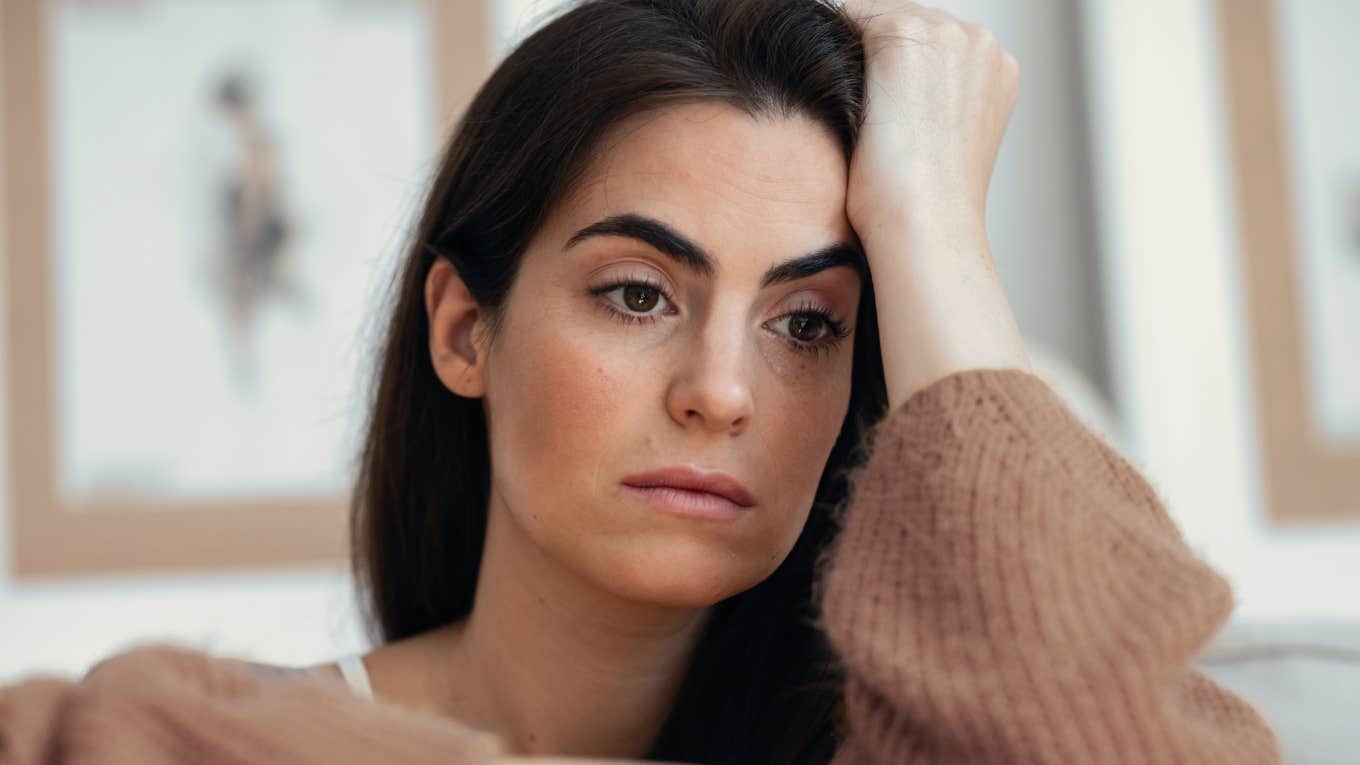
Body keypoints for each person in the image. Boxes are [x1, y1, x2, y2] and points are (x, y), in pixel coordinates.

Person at [0, 1, 1282, 763]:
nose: (721, 393)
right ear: (463, 332)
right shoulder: (153, 739)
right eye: (637, 294)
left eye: (806, 323)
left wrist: (934, 223)